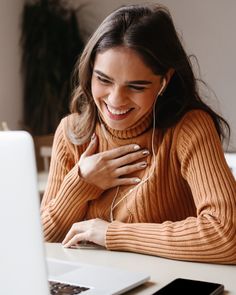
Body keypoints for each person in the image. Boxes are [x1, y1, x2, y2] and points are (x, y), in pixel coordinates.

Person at [40, 3, 236, 264]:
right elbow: (41, 237)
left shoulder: (189, 128)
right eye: (104, 79)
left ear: (164, 81)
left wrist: (112, 234)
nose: (116, 100)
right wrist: (82, 182)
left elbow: (226, 236)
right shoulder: (72, 132)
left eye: (136, 86)